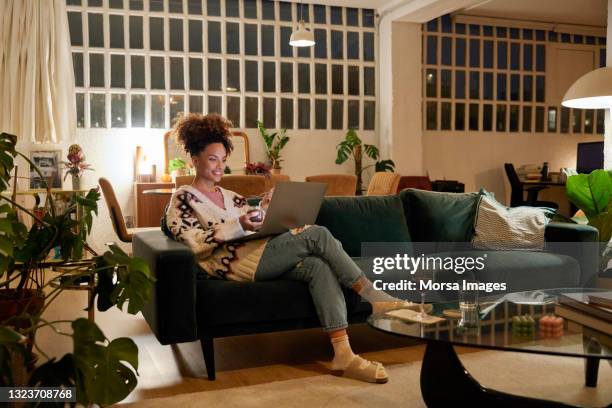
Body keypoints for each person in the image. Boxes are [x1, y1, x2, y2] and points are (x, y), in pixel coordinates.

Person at [165, 113, 413, 384]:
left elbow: (253, 222)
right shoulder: (183, 198)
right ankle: (373, 296)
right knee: (316, 235)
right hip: (235, 266)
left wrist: (267, 209)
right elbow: (193, 243)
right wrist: (239, 225)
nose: (219, 167)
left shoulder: (231, 197)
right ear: (195, 159)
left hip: (261, 253)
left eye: (223, 160)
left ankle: (343, 353)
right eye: (213, 159)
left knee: (318, 267)